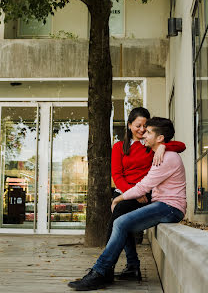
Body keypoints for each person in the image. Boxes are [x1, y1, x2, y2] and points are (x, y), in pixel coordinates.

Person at [68, 117, 186, 291]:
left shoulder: (166, 158)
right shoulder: (160, 153)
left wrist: (118, 198)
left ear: (160, 138)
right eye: (142, 129)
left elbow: (144, 186)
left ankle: (100, 272)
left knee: (121, 222)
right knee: (123, 222)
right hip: (163, 205)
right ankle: (127, 267)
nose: (144, 134)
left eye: (148, 131)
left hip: (170, 208)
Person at [107, 107, 186, 281]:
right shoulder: (119, 147)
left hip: (144, 192)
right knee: (120, 213)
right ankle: (129, 266)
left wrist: (163, 146)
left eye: (145, 126)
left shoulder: (150, 146)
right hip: (127, 190)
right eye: (138, 125)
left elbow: (181, 145)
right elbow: (117, 175)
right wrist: (130, 193)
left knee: (120, 214)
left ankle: (109, 266)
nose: (142, 130)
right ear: (129, 125)